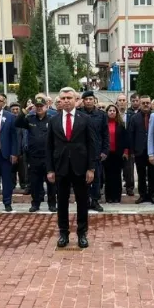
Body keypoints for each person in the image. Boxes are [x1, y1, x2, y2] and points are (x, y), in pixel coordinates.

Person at [46, 87, 97, 249]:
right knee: (62, 202)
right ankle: (63, 233)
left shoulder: (85, 119)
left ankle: (82, 234)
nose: (66, 100)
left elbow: (91, 144)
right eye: (63, 98)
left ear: (76, 100)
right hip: (60, 168)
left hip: (80, 168)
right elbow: (49, 146)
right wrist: (50, 169)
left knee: (82, 201)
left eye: (69, 98)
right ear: (59, 101)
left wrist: (91, 168)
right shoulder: (53, 120)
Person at [16, 96, 56, 212]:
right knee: (35, 183)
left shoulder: (52, 119)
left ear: (46, 106)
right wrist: (25, 111)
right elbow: (17, 123)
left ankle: (52, 204)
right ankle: (35, 204)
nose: (39, 108)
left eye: (41, 106)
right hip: (34, 157)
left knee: (51, 182)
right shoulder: (30, 118)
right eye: (37, 106)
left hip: (49, 157)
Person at [78, 91, 109, 212]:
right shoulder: (79, 113)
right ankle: (85, 201)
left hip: (97, 152)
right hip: (81, 152)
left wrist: (105, 151)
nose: (89, 101)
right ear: (83, 101)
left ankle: (95, 200)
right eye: (86, 99)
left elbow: (105, 134)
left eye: (91, 99)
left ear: (94, 100)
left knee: (96, 178)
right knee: (82, 178)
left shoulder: (101, 115)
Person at [129, 95, 154, 204]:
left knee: (152, 174)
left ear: (151, 104)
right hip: (139, 151)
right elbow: (131, 135)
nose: (145, 105)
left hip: (152, 151)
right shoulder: (134, 118)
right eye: (143, 103)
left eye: (147, 103)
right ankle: (142, 195)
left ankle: (152, 195)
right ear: (140, 104)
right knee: (141, 175)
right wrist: (131, 151)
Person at [103, 104, 128, 203]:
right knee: (108, 176)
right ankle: (109, 197)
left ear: (116, 113)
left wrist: (126, 151)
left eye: (114, 111)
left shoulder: (121, 125)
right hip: (107, 154)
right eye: (110, 111)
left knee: (117, 176)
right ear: (107, 112)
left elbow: (126, 139)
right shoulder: (104, 124)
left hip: (118, 154)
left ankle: (117, 196)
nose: (112, 112)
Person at [121, 93, 137, 197]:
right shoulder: (113, 113)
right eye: (120, 100)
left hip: (129, 144)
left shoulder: (131, 115)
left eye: (123, 100)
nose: (122, 102)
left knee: (129, 168)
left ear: (126, 102)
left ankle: (130, 188)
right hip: (117, 145)